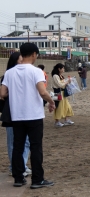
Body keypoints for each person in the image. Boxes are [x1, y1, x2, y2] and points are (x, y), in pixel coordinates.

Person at [0, 43, 56, 188]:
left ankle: (18, 178)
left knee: (17, 147)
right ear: (33, 54)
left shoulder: (9, 73)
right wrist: (51, 102)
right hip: (34, 114)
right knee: (36, 147)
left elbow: (2, 93)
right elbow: (42, 92)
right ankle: (37, 179)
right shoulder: (36, 71)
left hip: (17, 115)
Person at [1, 52, 31, 177]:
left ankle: (21, 165)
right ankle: (16, 167)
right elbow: (2, 95)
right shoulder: (7, 76)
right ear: (14, 61)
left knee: (26, 141)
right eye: (20, 59)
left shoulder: (26, 74)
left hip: (26, 112)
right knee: (13, 142)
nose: (22, 61)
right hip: (11, 113)